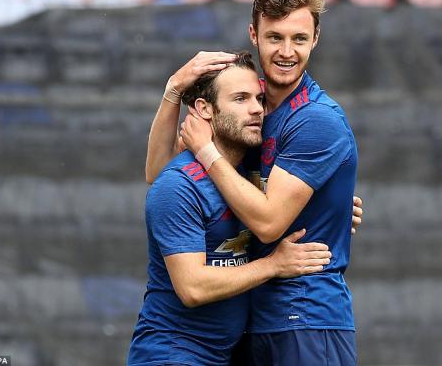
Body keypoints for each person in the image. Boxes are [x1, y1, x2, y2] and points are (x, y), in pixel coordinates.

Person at [178, 0, 359, 365]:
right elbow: (163, 172)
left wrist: (207, 152)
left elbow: (268, 223)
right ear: (253, 35)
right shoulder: (248, 109)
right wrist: (173, 90)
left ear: (316, 39)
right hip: (251, 319)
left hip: (306, 317)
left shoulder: (316, 120)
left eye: (299, 38)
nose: (287, 52)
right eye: (275, 37)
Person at [127, 51, 333, 365]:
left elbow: (275, 210)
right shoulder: (179, 185)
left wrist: (333, 210)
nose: (255, 109)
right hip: (171, 355)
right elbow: (192, 288)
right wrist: (273, 266)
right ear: (204, 110)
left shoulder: (240, 177)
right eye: (240, 99)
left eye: (259, 99)